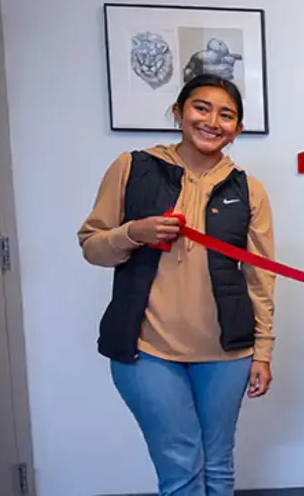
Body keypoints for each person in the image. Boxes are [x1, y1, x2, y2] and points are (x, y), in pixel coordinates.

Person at [78, 74, 275, 495]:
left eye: (227, 115)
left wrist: (263, 351)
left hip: (227, 353)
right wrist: (133, 233)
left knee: (218, 465)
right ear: (179, 113)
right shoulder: (131, 167)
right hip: (147, 350)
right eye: (201, 108)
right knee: (182, 468)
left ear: (237, 130)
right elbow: (92, 247)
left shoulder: (248, 188)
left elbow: (260, 279)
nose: (212, 121)